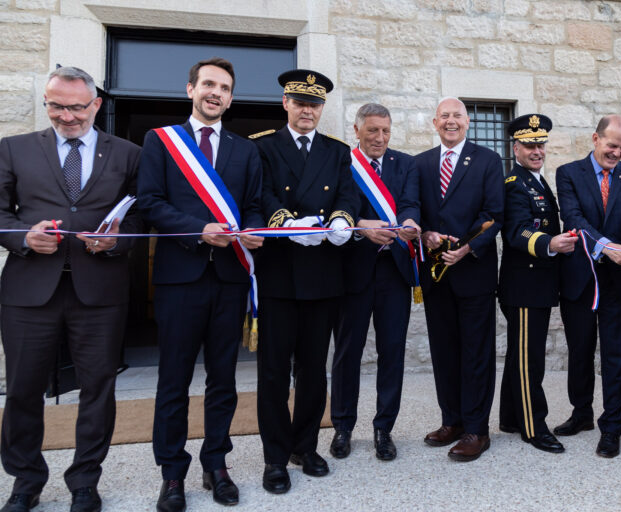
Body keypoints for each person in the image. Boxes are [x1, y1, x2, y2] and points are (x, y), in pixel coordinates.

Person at [0, 66, 141, 512]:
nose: (66, 116)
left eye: (76, 107)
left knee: (97, 388)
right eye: (56, 106)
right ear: (46, 103)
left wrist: (118, 239)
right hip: (28, 290)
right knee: (22, 388)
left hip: (99, 290)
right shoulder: (13, 149)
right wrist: (22, 236)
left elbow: (143, 217)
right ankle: (25, 481)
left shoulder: (130, 154)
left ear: (96, 105)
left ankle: (85, 481)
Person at [137, 57, 264, 511]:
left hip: (229, 277)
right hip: (180, 278)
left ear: (231, 97)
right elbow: (149, 203)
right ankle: (173, 474)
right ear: (190, 88)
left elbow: (252, 205)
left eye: (225, 87)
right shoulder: (161, 141)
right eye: (208, 84)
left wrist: (251, 230)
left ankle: (216, 464)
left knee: (223, 380)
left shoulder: (245, 150)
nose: (216, 93)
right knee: (173, 381)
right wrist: (198, 229)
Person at [252, 69, 359, 494]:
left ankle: (306, 445)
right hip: (280, 273)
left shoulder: (337, 152)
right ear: (286, 104)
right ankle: (275, 457)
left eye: (314, 104)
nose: (307, 110)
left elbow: (348, 195)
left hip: (322, 275)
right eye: (300, 102)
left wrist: (341, 220)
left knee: (314, 371)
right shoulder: (262, 146)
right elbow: (260, 195)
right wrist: (287, 223)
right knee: (275, 373)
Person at [554, 114, 621, 458]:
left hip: (618, 282)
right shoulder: (568, 173)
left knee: (615, 355)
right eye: (612, 145)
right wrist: (609, 248)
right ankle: (581, 413)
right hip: (579, 280)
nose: (617, 153)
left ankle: (612, 426)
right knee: (580, 352)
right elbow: (574, 219)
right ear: (595, 139)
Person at [329, 103, 420, 461]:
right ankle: (342, 427)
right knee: (347, 353)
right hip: (353, 270)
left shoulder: (405, 164)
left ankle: (384, 428)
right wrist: (360, 229)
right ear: (357, 131)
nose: (380, 138)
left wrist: (410, 223)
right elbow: (337, 208)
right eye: (372, 132)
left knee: (392, 353)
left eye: (385, 131)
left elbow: (411, 203)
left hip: (394, 272)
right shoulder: (343, 163)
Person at [416, 97, 503, 462]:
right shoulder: (418, 164)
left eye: (458, 116)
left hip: (473, 272)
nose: (451, 122)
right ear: (435, 122)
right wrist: (425, 235)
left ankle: (476, 430)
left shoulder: (487, 160)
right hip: (436, 277)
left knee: (476, 353)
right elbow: (413, 210)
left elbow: (495, 214)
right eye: (445, 116)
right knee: (444, 352)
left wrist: (467, 248)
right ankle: (451, 420)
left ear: (468, 122)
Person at [497, 114, 576, 454]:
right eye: (529, 144)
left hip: (536, 282)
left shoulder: (537, 181)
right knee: (530, 360)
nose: (536, 150)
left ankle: (511, 417)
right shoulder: (515, 183)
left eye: (540, 144)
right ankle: (533, 426)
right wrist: (549, 243)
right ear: (515, 147)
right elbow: (516, 231)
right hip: (525, 284)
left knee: (519, 353)